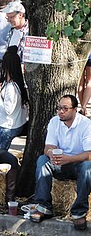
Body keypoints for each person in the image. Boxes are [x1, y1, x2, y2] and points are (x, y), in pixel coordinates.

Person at [33, 94, 91, 230]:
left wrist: (68, 159)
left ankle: (79, 212)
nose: (61, 111)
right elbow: (48, 147)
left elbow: (89, 154)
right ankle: (44, 206)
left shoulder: (86, 125)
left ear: (75, 109)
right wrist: (51, 153)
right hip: (60, 163)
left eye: (65, 108)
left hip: (78, 164)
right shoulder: (54, 121)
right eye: (59, 108)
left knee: (88, 167)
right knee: (42, 160)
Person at [0, 48, 28, 150]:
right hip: (14, 123)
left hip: (6, 126)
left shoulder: (11, 88)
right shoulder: (17, 83)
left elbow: (8, 110)